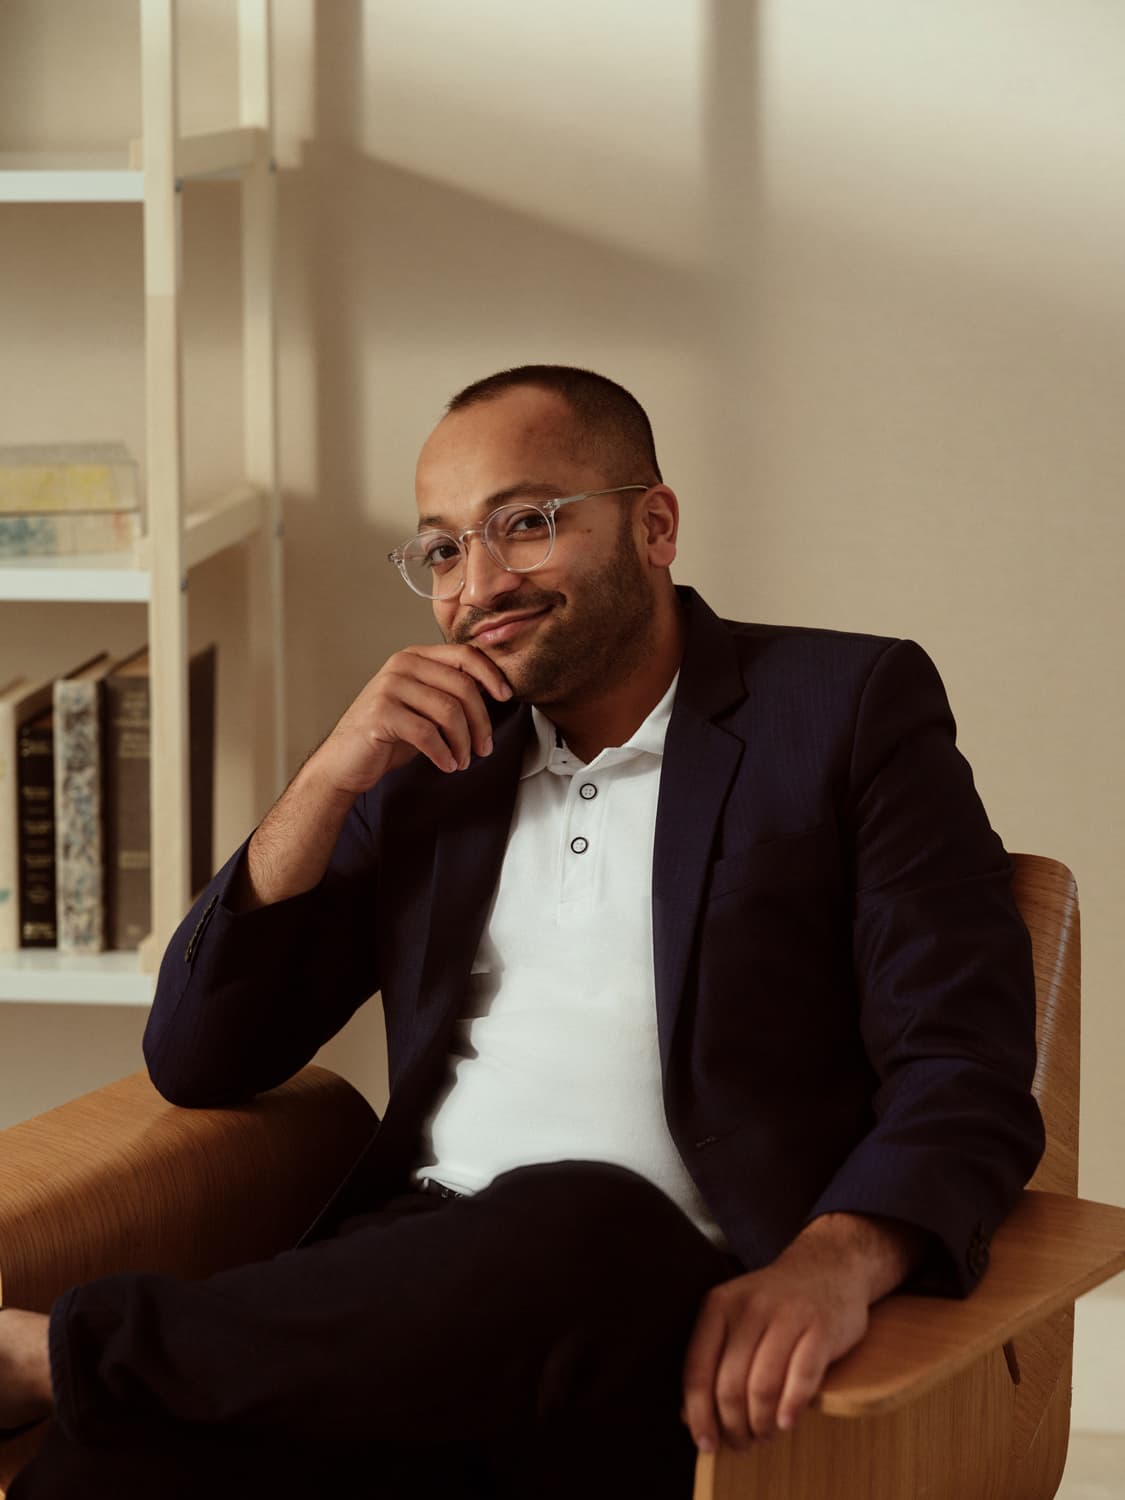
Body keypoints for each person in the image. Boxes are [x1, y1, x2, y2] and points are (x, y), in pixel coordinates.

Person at [0, 365, 1044, 1497]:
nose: (478, 582)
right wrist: (328, 781)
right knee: (124, 1447)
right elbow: (199, 1057)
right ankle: (108, 1368)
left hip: (661, 1312)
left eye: (527, 524)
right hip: (396, 1297)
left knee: (577, 1213)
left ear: (655, 523)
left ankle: (58, 1353)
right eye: (443, 549)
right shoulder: (438, 763)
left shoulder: (842, 710)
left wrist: (837, 1261)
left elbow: (965, 1063)